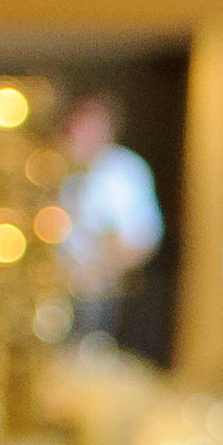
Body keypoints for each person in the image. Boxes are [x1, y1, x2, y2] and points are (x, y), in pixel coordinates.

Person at [54, 91, 162, 345]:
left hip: (100, 294)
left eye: (94, 126)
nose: (85, 134)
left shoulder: (125, 172)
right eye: (80, 125)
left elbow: (141, 237)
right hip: (53, 290)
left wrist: (98, 269)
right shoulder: (55, 167)